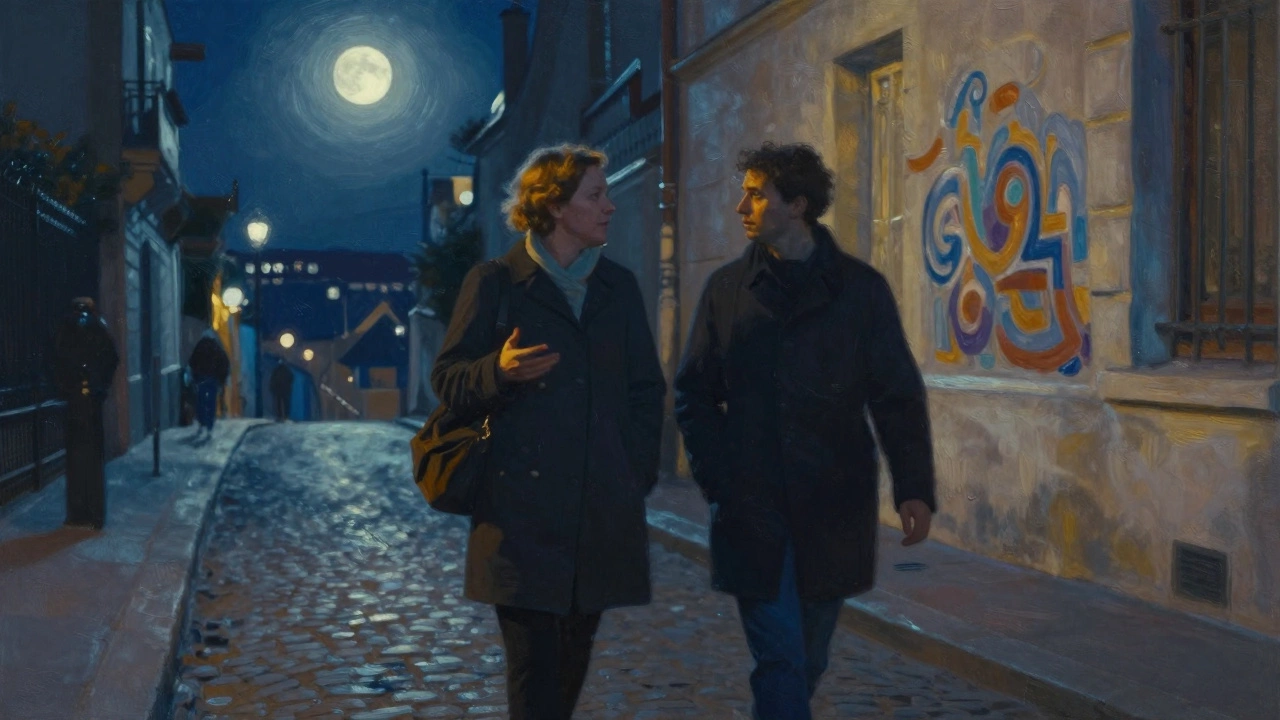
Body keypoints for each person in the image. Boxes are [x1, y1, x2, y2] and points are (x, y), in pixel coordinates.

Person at [673, 142, 938, 720]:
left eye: (755, 192)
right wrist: (721, 479)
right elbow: (693, 391)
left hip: (833, 500)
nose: (741, 204)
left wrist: (913, 485)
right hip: (751, 502)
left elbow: (895, 393)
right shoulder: (727, 290)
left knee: (809, 655)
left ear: (796, 204)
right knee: (781, 659)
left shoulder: (860, 290)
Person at [431, 143, 666, 720]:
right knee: (534, 675)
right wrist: (498, 370)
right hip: (520, 518)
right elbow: (448, 379)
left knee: (572, 663)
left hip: (598, 514)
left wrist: (633, 473)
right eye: (596, 195)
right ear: (556, 207)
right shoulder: (496, 284)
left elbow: (646, 391)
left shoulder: (618, 288)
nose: (609, 206)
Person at [188, 330, 229, 438]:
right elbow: (224, 363)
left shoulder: (199, 347)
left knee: (201, 401)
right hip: (213, 379)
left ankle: (202, 423)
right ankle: (210, 425)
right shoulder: (217, 348)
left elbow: (192, 362)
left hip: (201, 379)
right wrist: (222, 379)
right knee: (211, 402)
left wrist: (194, 377)